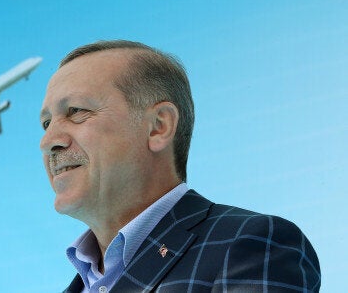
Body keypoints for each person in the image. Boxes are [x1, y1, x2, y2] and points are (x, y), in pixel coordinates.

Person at [39, 40, 321, 292]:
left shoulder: (251, 246)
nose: (49, 141)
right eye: (46, 123)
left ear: (158, 127)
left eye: (76, 111)